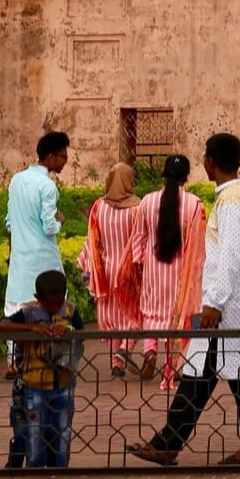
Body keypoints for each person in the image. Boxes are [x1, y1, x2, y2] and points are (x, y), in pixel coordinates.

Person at [128, 133, 240, 467]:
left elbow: (229, 256)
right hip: (231, 307)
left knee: (226, 375)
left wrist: (215, 302)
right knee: (226, 374)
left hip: (226, 309)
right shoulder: (237, 196)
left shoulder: (234, 200)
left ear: (210, 162)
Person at [4, 130, 69, 469]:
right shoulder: (48, 185)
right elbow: (48, 225)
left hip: (20, 262)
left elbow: (9, 220)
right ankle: (47, 360)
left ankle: (14, 360)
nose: (66, 159)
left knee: (18, 312)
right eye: (64, 154)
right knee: (47, 316)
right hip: (43, 262)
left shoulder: (16, 181)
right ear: (54, 156)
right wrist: (60, 220)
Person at [133, 154, 208, 392]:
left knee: (152, 315)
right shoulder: (195, 204)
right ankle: (170, 370)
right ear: (186, 176)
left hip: (154, 273)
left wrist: (139, 262)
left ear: (163, 174)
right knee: (179, 319)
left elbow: (138, 238)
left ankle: (149, 350)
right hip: (181, 276)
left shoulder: (147, 201)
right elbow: (199, 245)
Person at [0, 268, 85, 470]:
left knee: (61, 431)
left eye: (58, 303)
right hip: (34, 384)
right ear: (38, 298)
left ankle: (58, 472)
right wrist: (32, 328)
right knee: (35, 432)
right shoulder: (29, 312)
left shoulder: (70, 310)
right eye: (49, 304)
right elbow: (2, 326)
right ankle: (35, 475)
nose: (55, 308)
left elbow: (81, 333)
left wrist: (68, 330)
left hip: (63, 383)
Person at [77, 162, 146, 378]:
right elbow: (140, 242)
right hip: (129, 271)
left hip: (106, 270)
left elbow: (93, 240)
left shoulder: (99, 206)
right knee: (135, 314)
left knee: (114, 318)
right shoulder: (137, 208)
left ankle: (116, 363)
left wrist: (89, 267)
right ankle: (125, 348)